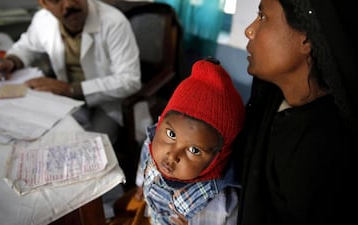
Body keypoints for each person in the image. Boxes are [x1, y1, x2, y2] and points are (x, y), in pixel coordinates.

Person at [236, 0, 358, 225]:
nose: (249, 30)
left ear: (307, 39)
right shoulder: (272, 102)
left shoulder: (323, 148)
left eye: (263, 17)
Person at [110, 57, 246, 225]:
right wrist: (140, 185)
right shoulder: (152, 145)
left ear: (217, 159)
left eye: (194, 150)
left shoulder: (220, 202)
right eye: (171, 134)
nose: (172, 155)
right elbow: (145, 162)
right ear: (160, 125)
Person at [0, 0, 141, 144]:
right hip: (69, 99)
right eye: (56, 0)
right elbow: (26, 47)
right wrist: (11, 61)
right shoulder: (43, 20)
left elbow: (130, 80)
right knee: (41, 136)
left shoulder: (113, 21)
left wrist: (71, 89)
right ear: (44, 3)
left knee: (89, 146)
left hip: (108, 103)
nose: (68, 4)